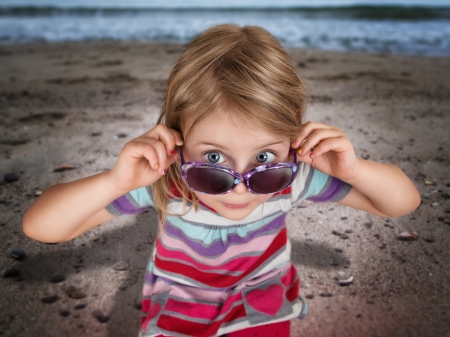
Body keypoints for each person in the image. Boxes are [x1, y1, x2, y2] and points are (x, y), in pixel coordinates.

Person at [22, 24, 420, 337]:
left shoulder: (291, 180)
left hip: (261, 311)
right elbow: (42, 227)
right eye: (213, 160)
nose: (241, 186)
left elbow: (401, 203)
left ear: (293, 143)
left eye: (265, 158)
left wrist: (354, 171)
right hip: (178, 316)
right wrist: (114, 181)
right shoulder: (167, 181)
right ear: (177, 141)